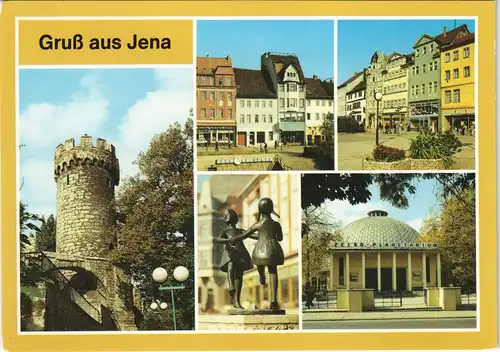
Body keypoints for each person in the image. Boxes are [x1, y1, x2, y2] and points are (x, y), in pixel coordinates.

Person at [229, 198, 285, 310]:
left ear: (260, 210)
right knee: (273, 270)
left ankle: (261, 275)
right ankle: (273, 298)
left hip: (260, 250)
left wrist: (234, 239)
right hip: (273, 250)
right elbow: (280, 238)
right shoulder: (276, 224)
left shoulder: (258, 224)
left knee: (259, 262)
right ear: (271, 210)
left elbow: (245, 234)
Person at [213, 209, 255, 310]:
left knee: (239, 276)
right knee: (230, 263)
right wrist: (228, 240)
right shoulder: (225, 231)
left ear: (232, 217)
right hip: (230, 252)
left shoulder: (240, 231)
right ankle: (231, 285)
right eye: (224, 215)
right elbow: (218, 240)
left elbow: (251, 235)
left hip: (240, 254)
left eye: (226, 215)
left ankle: (236, 300)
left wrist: (263, 235)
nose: (224, 217)